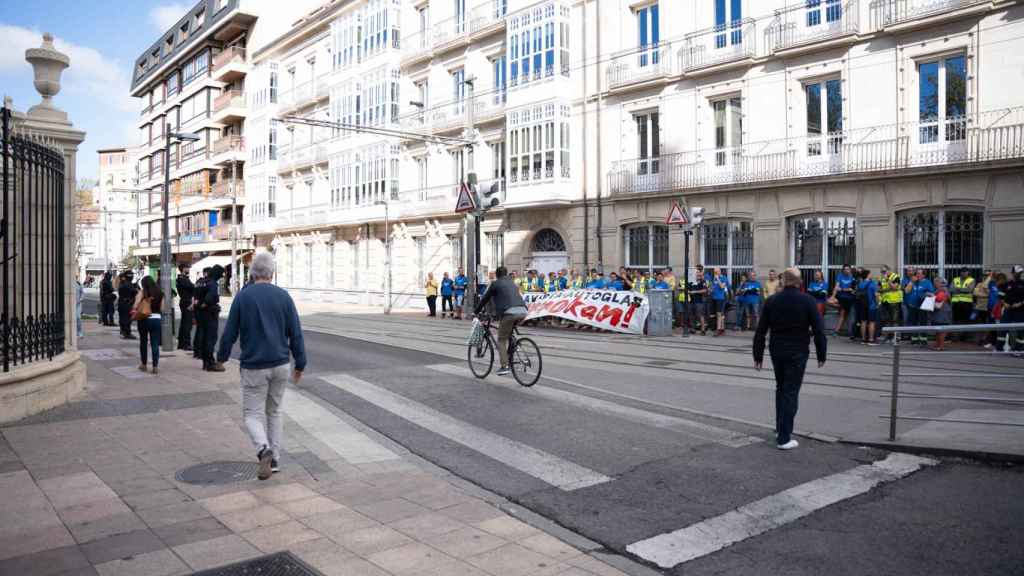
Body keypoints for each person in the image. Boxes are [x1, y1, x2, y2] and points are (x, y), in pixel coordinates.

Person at [217, 252, 307, 480]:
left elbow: (230, 332)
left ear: (252, 273)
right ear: (272, 273)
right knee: (275, 411)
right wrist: (300, 364)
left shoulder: (243, 297)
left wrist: (222, 356)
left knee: (252, 414)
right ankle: (274, 459)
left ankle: (262, 449)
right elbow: (295, 333)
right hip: (280, 364)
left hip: (254, 366)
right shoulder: (284, 296)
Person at [753, 268, 827, 450]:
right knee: (791, 391)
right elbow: (819, 329)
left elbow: (761, 331)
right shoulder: (808, 300)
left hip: (777, 350)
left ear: (783, 281)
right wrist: (821, 353)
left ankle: (780, 428)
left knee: (781, 388)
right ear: (799, 282)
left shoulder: (772, 301)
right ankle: (784, 438)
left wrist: (758, 355)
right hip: (798, 351)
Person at [474, 266, 528, 377]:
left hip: (509, 313)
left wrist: (476, 311)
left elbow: (485, 299)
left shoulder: (495, 283)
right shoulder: (512, 282)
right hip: (523, 311)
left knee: (501, 340)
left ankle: (505, 366)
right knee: (508, 333)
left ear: (497, 275)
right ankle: (514, 348)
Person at [134, 276, 164, 374]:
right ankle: (155, 367)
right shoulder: (160, 293)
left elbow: (136, 305)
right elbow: (162, 309)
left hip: (144, 319)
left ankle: (144, 364)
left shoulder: (142, 292)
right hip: (156, 319)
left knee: (143, 342)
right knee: (155, 343)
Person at [198, 265, 226, 371]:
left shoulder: (201, 282)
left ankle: (205, 362)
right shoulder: (213, 283)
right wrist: (205, 305)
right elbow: (209, 298)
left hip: (201, 314)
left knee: (204, 338)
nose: (221, 276)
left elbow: (196, 297)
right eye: (221, 274)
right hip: (210, 313)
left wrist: (200, 307)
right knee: (211, 338)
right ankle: (210, 363)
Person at [904, 269, 935, 345]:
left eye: (919, 273)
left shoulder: (927, 282)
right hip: (913, 305)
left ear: (923, 275)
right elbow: (906, 291)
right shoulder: (912, 282)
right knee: (913, 322)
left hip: (923, 306)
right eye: (916, 273)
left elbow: (931, 293)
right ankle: (914, 339)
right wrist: (911, 282)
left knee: (923, 322)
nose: (917, 275)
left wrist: (926, 294)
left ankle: (923, 339)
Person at [998, 265, 1024, 352]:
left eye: (1020, 272)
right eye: (1017, 272)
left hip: (1020, 311)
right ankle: (999, 349)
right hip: (1008, 310)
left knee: (1020, 330)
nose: (1019, 274)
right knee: (1002, 329)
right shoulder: (1006, 284)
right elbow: (1000, 296)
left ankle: (1018, 349)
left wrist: (1020, 303)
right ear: (1013, 273)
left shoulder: (1023, 283)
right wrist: (1004, 303)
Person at [878, 265, 903, 342]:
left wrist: (888, 280)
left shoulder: (895, 277)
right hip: (885, 301)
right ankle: (887, 337)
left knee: (895, 320)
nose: (883, 273)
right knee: (886, 320)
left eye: (884, 271)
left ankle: (895, 337)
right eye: (882, 272)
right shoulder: (881, 278)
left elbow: (894, 287)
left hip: (894, 301)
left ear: (889, 270)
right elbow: (879, 289)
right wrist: (886, 290)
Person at [951, 268, 976, 341]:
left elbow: (970, 290)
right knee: (956, 321)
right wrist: (963, 290)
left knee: (966, 321)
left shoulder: (971, 280)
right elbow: (951, 289)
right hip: (956, 303)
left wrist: (958, 289)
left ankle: (965, 338)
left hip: (967, 304)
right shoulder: (955, 279)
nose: (964, 273)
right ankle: (956, 337)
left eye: (965, 272)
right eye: (962, 272)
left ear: (968, 273)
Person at [858, 269, 880, 346]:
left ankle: (863, 339)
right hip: (871, 305)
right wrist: (878, 304)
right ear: (868, 275)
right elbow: (876, 295)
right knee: (871, 322)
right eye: (870, 274)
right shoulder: (872, 283)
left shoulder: (860, 283)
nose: (871, 275)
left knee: (863, 322)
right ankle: (871, 340)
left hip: (862, 305)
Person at [929, 276, 952, 351]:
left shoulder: (943, 290)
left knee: (942, 330)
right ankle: (937, 344)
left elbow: (939, 299)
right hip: (939, 312)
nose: (934, 284)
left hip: (943, 312)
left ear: (939, 282)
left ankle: (940, 346)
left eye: (935, 282)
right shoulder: (938, 289)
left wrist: (931, 295)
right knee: (937, 329)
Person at [832, 265, 856, 336]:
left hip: (850, 299)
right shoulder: (840, 276)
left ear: (850, 270)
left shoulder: (853, 277)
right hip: (841, 298)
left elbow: (852, 289)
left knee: (844, 315)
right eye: (845, 269)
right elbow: (836, 287)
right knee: (829, 302)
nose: (846, 270)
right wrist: (833, 296)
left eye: (847, 269)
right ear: (843, 270)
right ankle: (841, 307)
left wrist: (842, 289)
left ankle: (837, 331)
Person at [193, 268, 211, 358]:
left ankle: (196, 351)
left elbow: (194, 295)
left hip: (197, 307)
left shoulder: (198, 282)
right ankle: (200, 352)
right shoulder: (208, 282)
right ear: (207, 273)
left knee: (198, 330)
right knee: (203, 331)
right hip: (204, 308)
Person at [176, 265, 195, 351]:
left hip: (185, 301)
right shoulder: (182, 279)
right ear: (183, 269)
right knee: (187, 324)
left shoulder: (183, 278)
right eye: (187, 267)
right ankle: (186, 344)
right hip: (186, 302)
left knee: (184, 324)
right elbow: (192, 287)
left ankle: (181, 343)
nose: (189, 269)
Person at [117, 271, 137, 339]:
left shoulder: (122, 283)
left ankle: (123, 332)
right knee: (127, 319)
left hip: (122, 303)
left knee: (122, 318)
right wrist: (135, 288)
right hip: (127, 303)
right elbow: (134, 292)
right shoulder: (128, 284)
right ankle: (127, 333)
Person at [689, 266, 709, 335]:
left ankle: (703, 330)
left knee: (700, 315)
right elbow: (688, 289)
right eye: (696, 272)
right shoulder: (691, 281)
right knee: (692, 315)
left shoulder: (703, 281)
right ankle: (693, 329)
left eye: (698, 272)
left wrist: (695, 292)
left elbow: (705, 290)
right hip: (691, 300)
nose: (697, 273)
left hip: (699, 301)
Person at [710, 267, 730, 336]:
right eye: (714, 272)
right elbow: (713, 287)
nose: (715, 273)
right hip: (714, 298)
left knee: (719, 314)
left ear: (720, 271)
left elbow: (722, 287)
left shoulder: (724, 278)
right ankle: (722, 329)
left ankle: (718, 329)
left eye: (716, 271)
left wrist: (718, 278)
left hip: (720, 298)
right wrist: (711, 289)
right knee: (718, 314)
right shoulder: (714, 278)